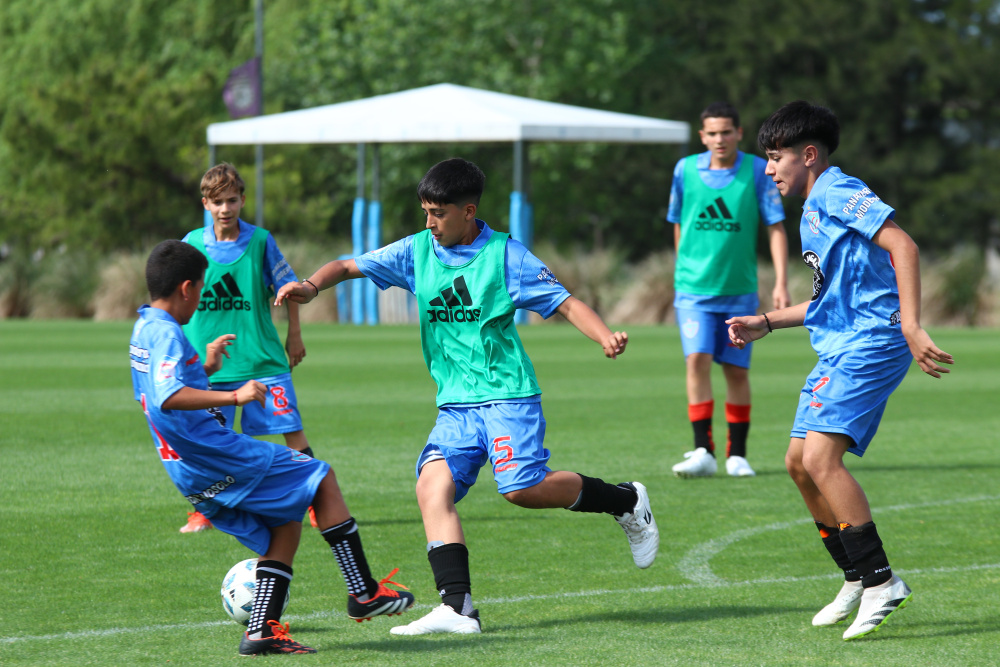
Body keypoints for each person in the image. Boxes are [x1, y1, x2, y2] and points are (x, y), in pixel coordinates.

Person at [275, 158, 659, 635]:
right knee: (431, 488)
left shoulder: (506, 256)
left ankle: (623, 500)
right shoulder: (418, 250)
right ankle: (458, 609)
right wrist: (311, 286)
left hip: (507, 397)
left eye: (438, 213)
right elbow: (348, 265)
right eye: (425, 212)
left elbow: (566, 302)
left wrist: (603, 336)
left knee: (521, 489)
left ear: (468, 211)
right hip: (455, 406)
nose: (429, 222)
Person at [727, 101, 953, 640]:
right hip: (842, 343)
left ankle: (881, 582)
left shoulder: (834, 189)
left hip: (874, 340)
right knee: (798, 463)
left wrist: (912, 326)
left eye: (776, 157)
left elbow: (903, 244)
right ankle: (855, 577)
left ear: (808, 155)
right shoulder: (811, 210)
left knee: (821, 457)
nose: (769, 168)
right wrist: (767, 320)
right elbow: (831, 300)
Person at [130, 240, 415, 656]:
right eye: (203, 289)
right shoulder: (167, 332)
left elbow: (163, 386)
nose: (202, 298)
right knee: (320, 475)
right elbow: (167, 395)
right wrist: (234, 396)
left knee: (285, 521)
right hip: (216, 453)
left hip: (186, 469)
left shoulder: (144, 327)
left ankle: (261, 630)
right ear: (187, 288)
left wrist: (205, 367)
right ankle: (364, 592)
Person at [178, 163, 317, 534]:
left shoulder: (260, 242)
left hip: (262, 360)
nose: (226, 208)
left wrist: (294, 334)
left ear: (242, 200)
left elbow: (288, 288)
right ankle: (205, 510)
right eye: (218, 201)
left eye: (232, 200)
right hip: (209, 368)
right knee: (204, 443)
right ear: (205, 203)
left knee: (292, 430)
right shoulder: (190, 244)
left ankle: (315, 499)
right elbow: (176, 297)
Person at [666, 101, 790, 478]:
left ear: (738, 132)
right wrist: (684, 267)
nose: (720, 139)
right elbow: (678, 223)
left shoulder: (757, 170)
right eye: (712, 133)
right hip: (693, 291)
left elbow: (775, 227)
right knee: (697, 361)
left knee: (736, 372)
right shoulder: (684, 170)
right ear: (702, 136)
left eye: (726, 131)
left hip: (739, 291)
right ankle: (703, 451)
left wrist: (782, 282)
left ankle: (738, 455)